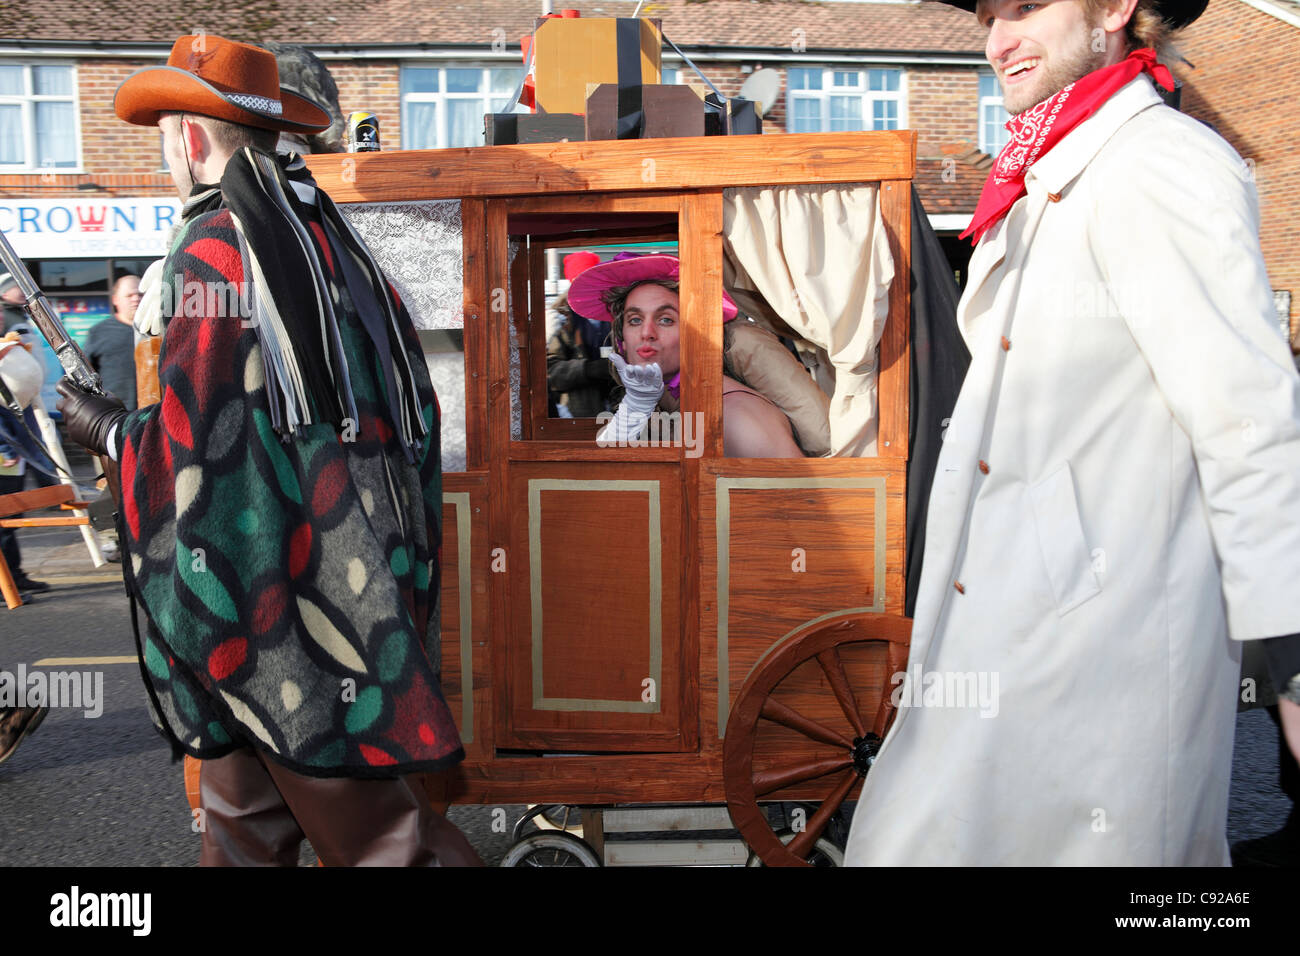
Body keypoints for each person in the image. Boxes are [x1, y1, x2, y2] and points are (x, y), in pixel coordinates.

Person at [844, 0, 1300, 865]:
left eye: (1025, 7)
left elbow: (1248, 421)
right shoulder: (1050, 167)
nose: (997, 41)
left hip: (1105, 645)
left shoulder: (1161, 163)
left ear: (1117, 9)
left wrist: (1293, 654)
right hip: (1015, 620)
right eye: (989, 16)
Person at [56, 35, 479, 866]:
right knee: (242, 823)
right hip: (342, 565)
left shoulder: (214, 245)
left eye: (165, 137)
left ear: (188, 138)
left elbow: (205, 446)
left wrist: (108, 431)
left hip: (282, 597)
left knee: (388, 847)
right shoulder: (326, 239)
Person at [569, 254, 805, 458]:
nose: (646, 333)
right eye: (635, 320)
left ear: (697, 334)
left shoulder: (735, 414)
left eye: (666, 320)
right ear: (621, 340)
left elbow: (799, 500)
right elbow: (605, 477)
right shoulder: (654, 403)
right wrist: (635, 407)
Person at [0, 330, 55, 595]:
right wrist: (6, 449)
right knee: (3, 521)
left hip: (14, 452)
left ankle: (14, 575)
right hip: (5, 455)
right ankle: (5, 584)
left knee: (10, 520)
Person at [83, 274, 141, 410]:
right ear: (115, 300)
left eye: (140, 295)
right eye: (129, 295)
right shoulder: (98, 332)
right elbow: (86, 379)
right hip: (115, 417)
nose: (136, 299)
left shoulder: (159, 332)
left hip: (153, 417)